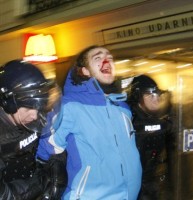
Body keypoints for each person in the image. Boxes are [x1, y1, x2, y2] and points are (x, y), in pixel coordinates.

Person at [37, 45, 142, 200]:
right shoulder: (70, 106)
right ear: (84, 71)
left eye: (110, 58)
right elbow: (43, 153)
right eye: (97, 58)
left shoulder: (122, 107)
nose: (107, 61)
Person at [0, 60, 67, 200]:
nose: (35, 115)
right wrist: (40, 183)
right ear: (8, 103)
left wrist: (57, 166)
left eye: (39, 105)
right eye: (29, 107)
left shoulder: (34, 117)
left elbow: (53, 146)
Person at [127, 75, 174, 200]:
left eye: (158, 94)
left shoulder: (158, 119)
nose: (156, 99)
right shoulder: (129, 121)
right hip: (133, 189)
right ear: (138, 97)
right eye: (150, 95)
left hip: (151, 186)